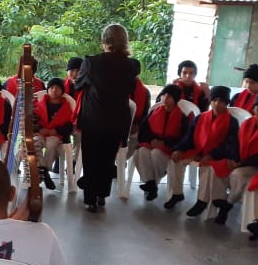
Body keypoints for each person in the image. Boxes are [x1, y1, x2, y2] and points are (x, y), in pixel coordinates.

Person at [74, 24, 141, 212]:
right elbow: (130, 88)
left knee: (91, 158)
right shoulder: (132, 65)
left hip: (93, 118)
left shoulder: (91, 62)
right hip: (117, 119)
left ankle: (90, 199)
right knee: (107, 158)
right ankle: (102, 194)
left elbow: (78, 85)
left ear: (105, 41)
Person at [216, 92, 258, 227]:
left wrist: (240, 164)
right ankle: (217, 199)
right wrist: (233, 159)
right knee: (216, 168)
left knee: (238, 174)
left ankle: (228, 203)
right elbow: (235, 144)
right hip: (240, 161)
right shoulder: (247, 124)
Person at [172, 86, 238, 216]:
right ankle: (176, 193)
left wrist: (211, 155)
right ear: (210, 101)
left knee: (208, 168)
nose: (217, 104)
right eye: (214, 100)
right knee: (175, 160)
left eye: (221, 101)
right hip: (197, 151)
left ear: (227, 102)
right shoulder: (200, 117)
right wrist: (179, 149)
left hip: (217, 156)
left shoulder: (232, 122)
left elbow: (230, 145)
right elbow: (189, 138)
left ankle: (201, 201)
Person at [133, 84, 191, 203]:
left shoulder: (182, 117)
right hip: (152, 144)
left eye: (169, 96)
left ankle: (152, 183)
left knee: (156, 153)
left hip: (169, 149)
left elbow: (185, 138)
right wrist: (152, 141)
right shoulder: (155, 112)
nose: (165, 98)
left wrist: (165, 143)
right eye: (164, 94)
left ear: (176, 99)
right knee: (141, 152)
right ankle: (150, 183)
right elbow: (144, 131)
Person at [34, 78, 75, 191]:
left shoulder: (66, 107)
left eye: (57, 88)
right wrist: (40, 129)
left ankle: (43, 171)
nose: (54, 90)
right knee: (35, 142)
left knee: (52, 144)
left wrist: (56, 130)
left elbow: (69, 126)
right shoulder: (39, 105)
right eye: (51, 87)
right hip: (40, 133)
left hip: (56, 135)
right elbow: (33, 120)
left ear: (62, 91)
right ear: (47, 90)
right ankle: (45, 172)